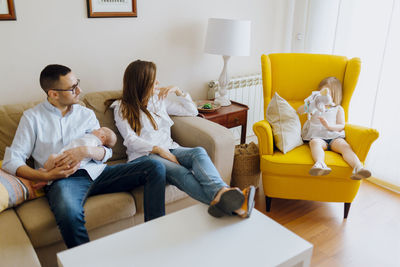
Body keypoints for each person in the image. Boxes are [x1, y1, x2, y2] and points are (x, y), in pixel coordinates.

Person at [2, 64, 166, 249]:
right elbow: (11, 161)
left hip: (99, 172)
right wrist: (46, 177)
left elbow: (106, 151)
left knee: (154, 167)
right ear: (53, 94)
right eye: (72, 88)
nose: (79, 90)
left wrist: (86, 151)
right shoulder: (32, 118)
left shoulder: (85, 113)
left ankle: (155, 240)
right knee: (68, 212)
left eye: (77, 83)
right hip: (64, 180)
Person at [106, 60, 255, 218]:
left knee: (198, 152)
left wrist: (178, 92)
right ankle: (233, 203)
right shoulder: (122, 107)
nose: (158, 83)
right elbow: (131, 140)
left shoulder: (158, 100)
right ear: (142, 83)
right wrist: (161, 151)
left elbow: (191, 111)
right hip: (145, 157)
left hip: (170, 148)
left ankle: (222, 194)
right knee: (180, 171)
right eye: (153, 80)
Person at [297, 76, 371, 180]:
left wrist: (329, 126)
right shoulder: (315, 106)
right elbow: (299, 111)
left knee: (345, 147)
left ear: (334, 95)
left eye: (327, 93)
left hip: (334, 137)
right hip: (318, 137)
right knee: (314, 143)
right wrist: (311, 102)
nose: (323, 95)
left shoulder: (338, 109)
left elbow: (341, 125)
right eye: (321, 92)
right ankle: (320, 164)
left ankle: (358, 167)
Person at [44, 127, 117, 170]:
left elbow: (108, 152)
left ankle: (45, 176)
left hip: (70, 160)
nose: (95, 129)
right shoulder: (92, 139)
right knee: (53, 162)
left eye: (98, 129)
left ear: (102, 137)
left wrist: (84, 151)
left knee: (52, 158)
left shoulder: (92, 141)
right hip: (71, 163)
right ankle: (46, 176)